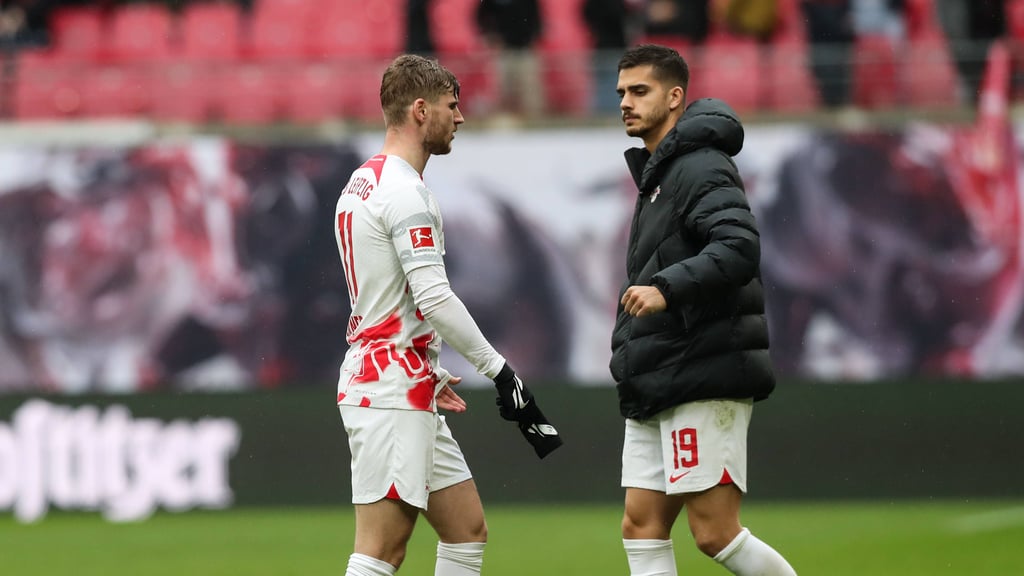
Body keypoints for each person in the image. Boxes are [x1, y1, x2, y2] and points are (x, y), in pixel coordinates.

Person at [333, 54, 562, 576]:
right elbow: (434, 298)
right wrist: (500, 371)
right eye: (451, 106)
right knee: (380, 550)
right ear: (421, 110)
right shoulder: (406, 193)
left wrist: (422, 365)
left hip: (402, 379)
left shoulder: (362, 181)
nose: (459, 117)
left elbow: (389, 297)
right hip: (389, 388)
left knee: (465, 529)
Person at [610, 44, 797, 575]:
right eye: (621, 92)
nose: (625, 102)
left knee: (714, 532)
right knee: (641, 525)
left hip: (702, 369)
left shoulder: (701, 165)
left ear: (675, 97)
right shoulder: (658, 175)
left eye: (639, 91)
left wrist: (665, 289)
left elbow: (738, 246)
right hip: (661, 373)